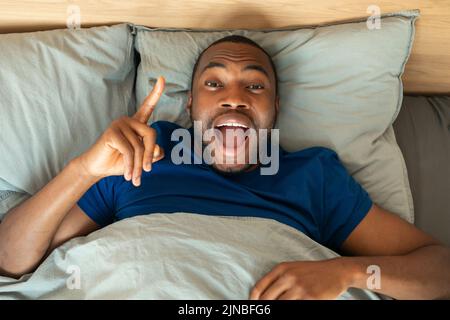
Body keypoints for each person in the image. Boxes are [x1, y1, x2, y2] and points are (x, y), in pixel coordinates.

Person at [0, 35, 449, 300]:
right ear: (191, 103)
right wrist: (85, 169)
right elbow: (12, 259)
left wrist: (345, 272)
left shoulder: (313, 176)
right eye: (214, 83)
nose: (234, 97)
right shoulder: (140, 157)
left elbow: (439, 269)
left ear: (275, 106)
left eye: (254, 84)